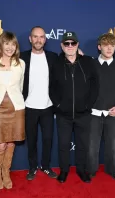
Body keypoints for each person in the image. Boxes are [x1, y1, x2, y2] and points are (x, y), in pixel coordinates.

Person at [50, 31, 98, 183]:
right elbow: (51, 87)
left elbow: (95, 86)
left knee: (82, 145)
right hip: (63, 115)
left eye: (73, 43)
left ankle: (81, 170)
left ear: (77, 45)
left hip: (83, 114)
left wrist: (88, 105)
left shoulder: (88, 62)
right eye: (66, 43)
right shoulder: (56, 64)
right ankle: (64, 171)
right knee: (63, 145)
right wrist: (58, 105)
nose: (70, 46)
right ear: (62, 46)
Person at [0, 31, 25, 190]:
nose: (10, 47)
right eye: (7, 43)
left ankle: (6, 172)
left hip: (16, 107)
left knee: (11, 142)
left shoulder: (21, 63)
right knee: (0, 144)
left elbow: (21, 86)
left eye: (13, 44)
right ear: (1, 44)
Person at [86, 33, 115, 180]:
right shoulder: (91, 64)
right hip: (94, 113)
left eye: (112, 45)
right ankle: (91, 169)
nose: (109, 48)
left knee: (114, 144)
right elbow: (87, 88)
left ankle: (113, 169)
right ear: (99, 47)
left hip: (113, 112)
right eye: (106, 45)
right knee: (92, 145)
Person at [20, 26, 58, 180]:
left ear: (45, 39)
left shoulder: (53, 57)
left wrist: (80, 55)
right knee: (32, 140)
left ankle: (46, 166)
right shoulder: (21, 57)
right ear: (30, 39)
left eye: (41, 37)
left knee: (48, 139)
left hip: (48, 107)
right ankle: (32, 167)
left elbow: (69, 60)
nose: (38, 40)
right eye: (35, 37)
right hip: (28, 107)